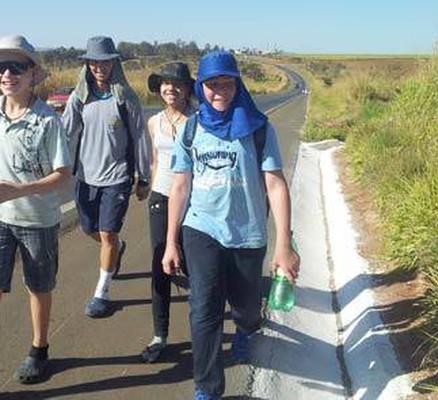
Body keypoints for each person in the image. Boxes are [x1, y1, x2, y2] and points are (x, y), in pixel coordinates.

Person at [161, 51, 300, 400]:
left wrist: (284, 243)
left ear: (237, 84)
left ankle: (244, 329)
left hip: (247, 233)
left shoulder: (257, 128)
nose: (218, 90)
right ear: (200, 87)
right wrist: (170, 242)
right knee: (204, 309)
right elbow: (179, 186)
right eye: (210, 84)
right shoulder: (191, 128)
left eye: (226, 82)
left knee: (247, 309)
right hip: (201, 229)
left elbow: (275, 184)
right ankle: (207, 388)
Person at [0, 35, 72, 400]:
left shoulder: (47, 121)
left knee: (38, 288)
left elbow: (63, 175)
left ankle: (40, 348)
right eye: (0, 67)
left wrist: (19, 191)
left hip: (37, 219)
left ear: (32, 73)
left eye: (16, 67)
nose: (7, 74)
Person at [62, 36, 151, 319]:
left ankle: (102, 292)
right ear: (88, 64)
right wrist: (51, 163)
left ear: (114, 63)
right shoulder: (80, 97)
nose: (99, 67)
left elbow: (140, 137)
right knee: (90, 229)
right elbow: (65, 131)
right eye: (94, 62)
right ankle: (116, 249)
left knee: (107, 232)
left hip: (118, 177)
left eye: (105, 61)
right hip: (87, 177)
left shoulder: (125, 98)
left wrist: (144, 176)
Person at [141, 62, 195, 363]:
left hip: (193, 199)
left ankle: (203, 328)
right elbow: (156, 160)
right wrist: (151, 191)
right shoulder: (154, 122)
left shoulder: (198, 121)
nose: (170, 89)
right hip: (161, 198)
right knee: (160, 265)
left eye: (177, 84)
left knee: (194, 266)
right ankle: (159, 334)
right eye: (165, 83)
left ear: (188, 89)